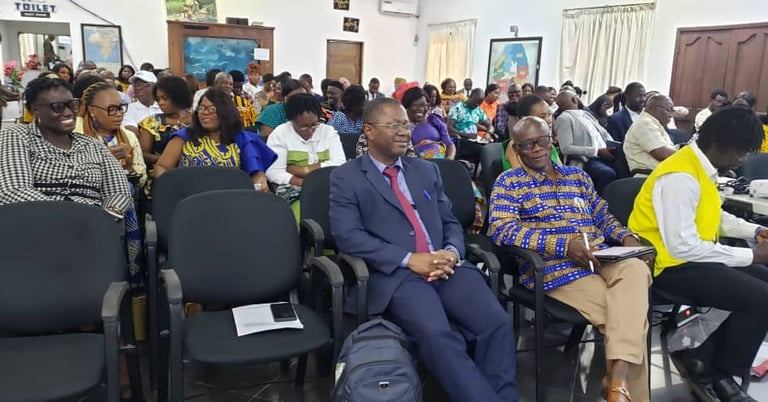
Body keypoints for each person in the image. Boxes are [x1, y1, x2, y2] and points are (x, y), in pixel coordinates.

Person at [329, 97, 518, 402]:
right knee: (437, 336)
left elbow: (450, 221)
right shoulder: (346, 177)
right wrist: (409, 259)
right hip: (399, 275)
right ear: (369, 131)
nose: (404, 131)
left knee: (496, 323)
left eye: (406, 125)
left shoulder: (425, 170)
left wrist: (452, 252)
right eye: (394, 125)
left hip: (447, 266)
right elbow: (348, 236)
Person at [489, 115, 650, 402]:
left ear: (551, 140)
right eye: (527, 145)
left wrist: (626, 236)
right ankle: (620, 385)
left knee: (636, 268)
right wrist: (563, 246)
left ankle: (617, 378)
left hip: (601, 256)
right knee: (627, 317)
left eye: (541, 141)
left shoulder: (577, 177)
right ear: (516, 149)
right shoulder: (509, 182)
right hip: (555, 269)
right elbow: (502, 229)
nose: (537, 149)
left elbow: (601, 215)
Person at [628, 106, 768, 402]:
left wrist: (754, 231)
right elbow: (681, 245)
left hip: (691, 259)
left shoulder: (701, 166)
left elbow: (713, 215)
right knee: (759, 296)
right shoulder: (680, 175)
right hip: (664, 265)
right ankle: (721, 374)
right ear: (716, 141)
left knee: (762, 282)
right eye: (739, 151)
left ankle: (700, 355)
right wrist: (753, 256)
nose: (742, 159)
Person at [0, 76, 131, 216]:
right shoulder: (17, 136)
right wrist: (67, 216)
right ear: (35, 110)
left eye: (72, 105)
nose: (69, 113)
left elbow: (119, 191)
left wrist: (107, 215)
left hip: (93, 223)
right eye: (58, 107)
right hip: (38, 220)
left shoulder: (92, 145)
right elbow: (13, 191)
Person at [154, 88, 276, 191]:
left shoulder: (241, 139)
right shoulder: (184, 136)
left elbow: (256, 172)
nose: (205, 113)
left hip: (230, 199)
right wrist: (174, 188)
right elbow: (161, 167)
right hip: (190, 197)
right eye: (201, 108)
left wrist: (260, 178)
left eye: (212, 109)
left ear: (225, 112)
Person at [265, 93, 346, 204]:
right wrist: (305, 184)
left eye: (314, 125)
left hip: (329, 189)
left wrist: (302, 170)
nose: (310, 131)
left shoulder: (328, 132)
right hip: (294, 192)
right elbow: (273, 172)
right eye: (303, 127)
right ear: (292, 120)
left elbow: (339, 164)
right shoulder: (280, 134)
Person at [77, 81, 147, 187]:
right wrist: (104, 160)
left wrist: (128, 167)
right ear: (92, 110)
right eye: (112, 109)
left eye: (121, 108)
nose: (119, 114)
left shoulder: (129, 137)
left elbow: (141, 181)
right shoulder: (76, 132)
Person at [555, 90, 617, 193]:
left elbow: (603, 132)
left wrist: (614, 146)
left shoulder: (585, 114)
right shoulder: (564, 118)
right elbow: (566, 148)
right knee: (608, 173)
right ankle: (598, 201)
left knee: (624, 167)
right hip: (587, 160)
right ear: (574, 99)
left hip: (605, 153)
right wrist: (597, 151)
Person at [138, 75, 192, 171]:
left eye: (165, 98)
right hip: (162, 173)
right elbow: (142, 154)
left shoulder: (197, 120)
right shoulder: (152, 122)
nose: (161, 103)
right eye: (158, 99)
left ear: (178, 96)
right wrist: (169, 159)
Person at [502, 95, 561, 172]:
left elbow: (561, 172)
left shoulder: (548, 143)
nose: (549, 120)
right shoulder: (516, 146)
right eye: (542, 117)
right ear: (525, 120)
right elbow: (522, 177)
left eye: (549, 114)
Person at [623, 94, 678, 173]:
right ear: (655, 108)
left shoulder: (654, 123)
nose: (671, 114)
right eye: (669, 110)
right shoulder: (644, 123)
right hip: (650, 175)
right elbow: (662, 154)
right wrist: (685, 154)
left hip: (661, 173)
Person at [403, 87, 455, 159]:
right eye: (416, 105)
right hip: (417, 163)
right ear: (407, 106)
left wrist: (450, 158)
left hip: (443, 162)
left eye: (424, 105)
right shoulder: (403, 127)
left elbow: (449, 144)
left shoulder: (434, 120)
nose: (421, 109)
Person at [122, 70, 161, 135]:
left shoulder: (163, 107)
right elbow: (131, 130)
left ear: (155, 87)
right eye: (135, 85)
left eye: (145, 85)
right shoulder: (127, 109)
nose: (139, 88)